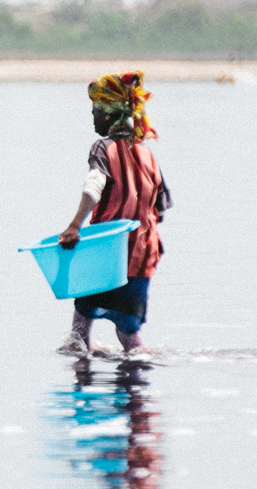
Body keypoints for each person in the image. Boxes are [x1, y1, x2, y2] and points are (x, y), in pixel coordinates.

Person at [56, 71, 172, 355]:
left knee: (79, 333)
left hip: (107, 254)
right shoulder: (147, 155)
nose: (93, 118)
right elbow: (161, 206)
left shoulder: (102, 147)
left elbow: (94, 185)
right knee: (130, 339)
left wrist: (74, 226)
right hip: (142, 256)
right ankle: (136, 393)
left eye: (96, 112)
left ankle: (81, 390)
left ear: (109, 116)